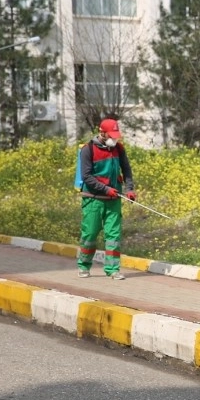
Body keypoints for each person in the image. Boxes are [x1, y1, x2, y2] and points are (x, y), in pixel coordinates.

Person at [77, 118, 135, 280]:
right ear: (101, 132)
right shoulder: (88, 150)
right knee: (90, 234)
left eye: (116, 136)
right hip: (93, 199)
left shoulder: (119, 149)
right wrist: (106, 189)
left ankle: (113, 269)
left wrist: (130, 189)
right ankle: (84, 265)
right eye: (111, 135)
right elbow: (87, 177)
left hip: (114, 199)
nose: (114, 139)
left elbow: (127, 170)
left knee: (113, 235)